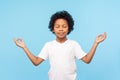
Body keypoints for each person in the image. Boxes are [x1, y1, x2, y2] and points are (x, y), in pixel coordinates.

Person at [14, 10, 107, 80]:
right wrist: (24, 47)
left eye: (64, 26)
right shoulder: (48, 45)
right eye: (57, 26)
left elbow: (87, 60)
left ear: (69, 28)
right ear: (53, 29)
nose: (61, 29)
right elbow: (36, 62)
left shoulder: (73, 44)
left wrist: (96, 43)